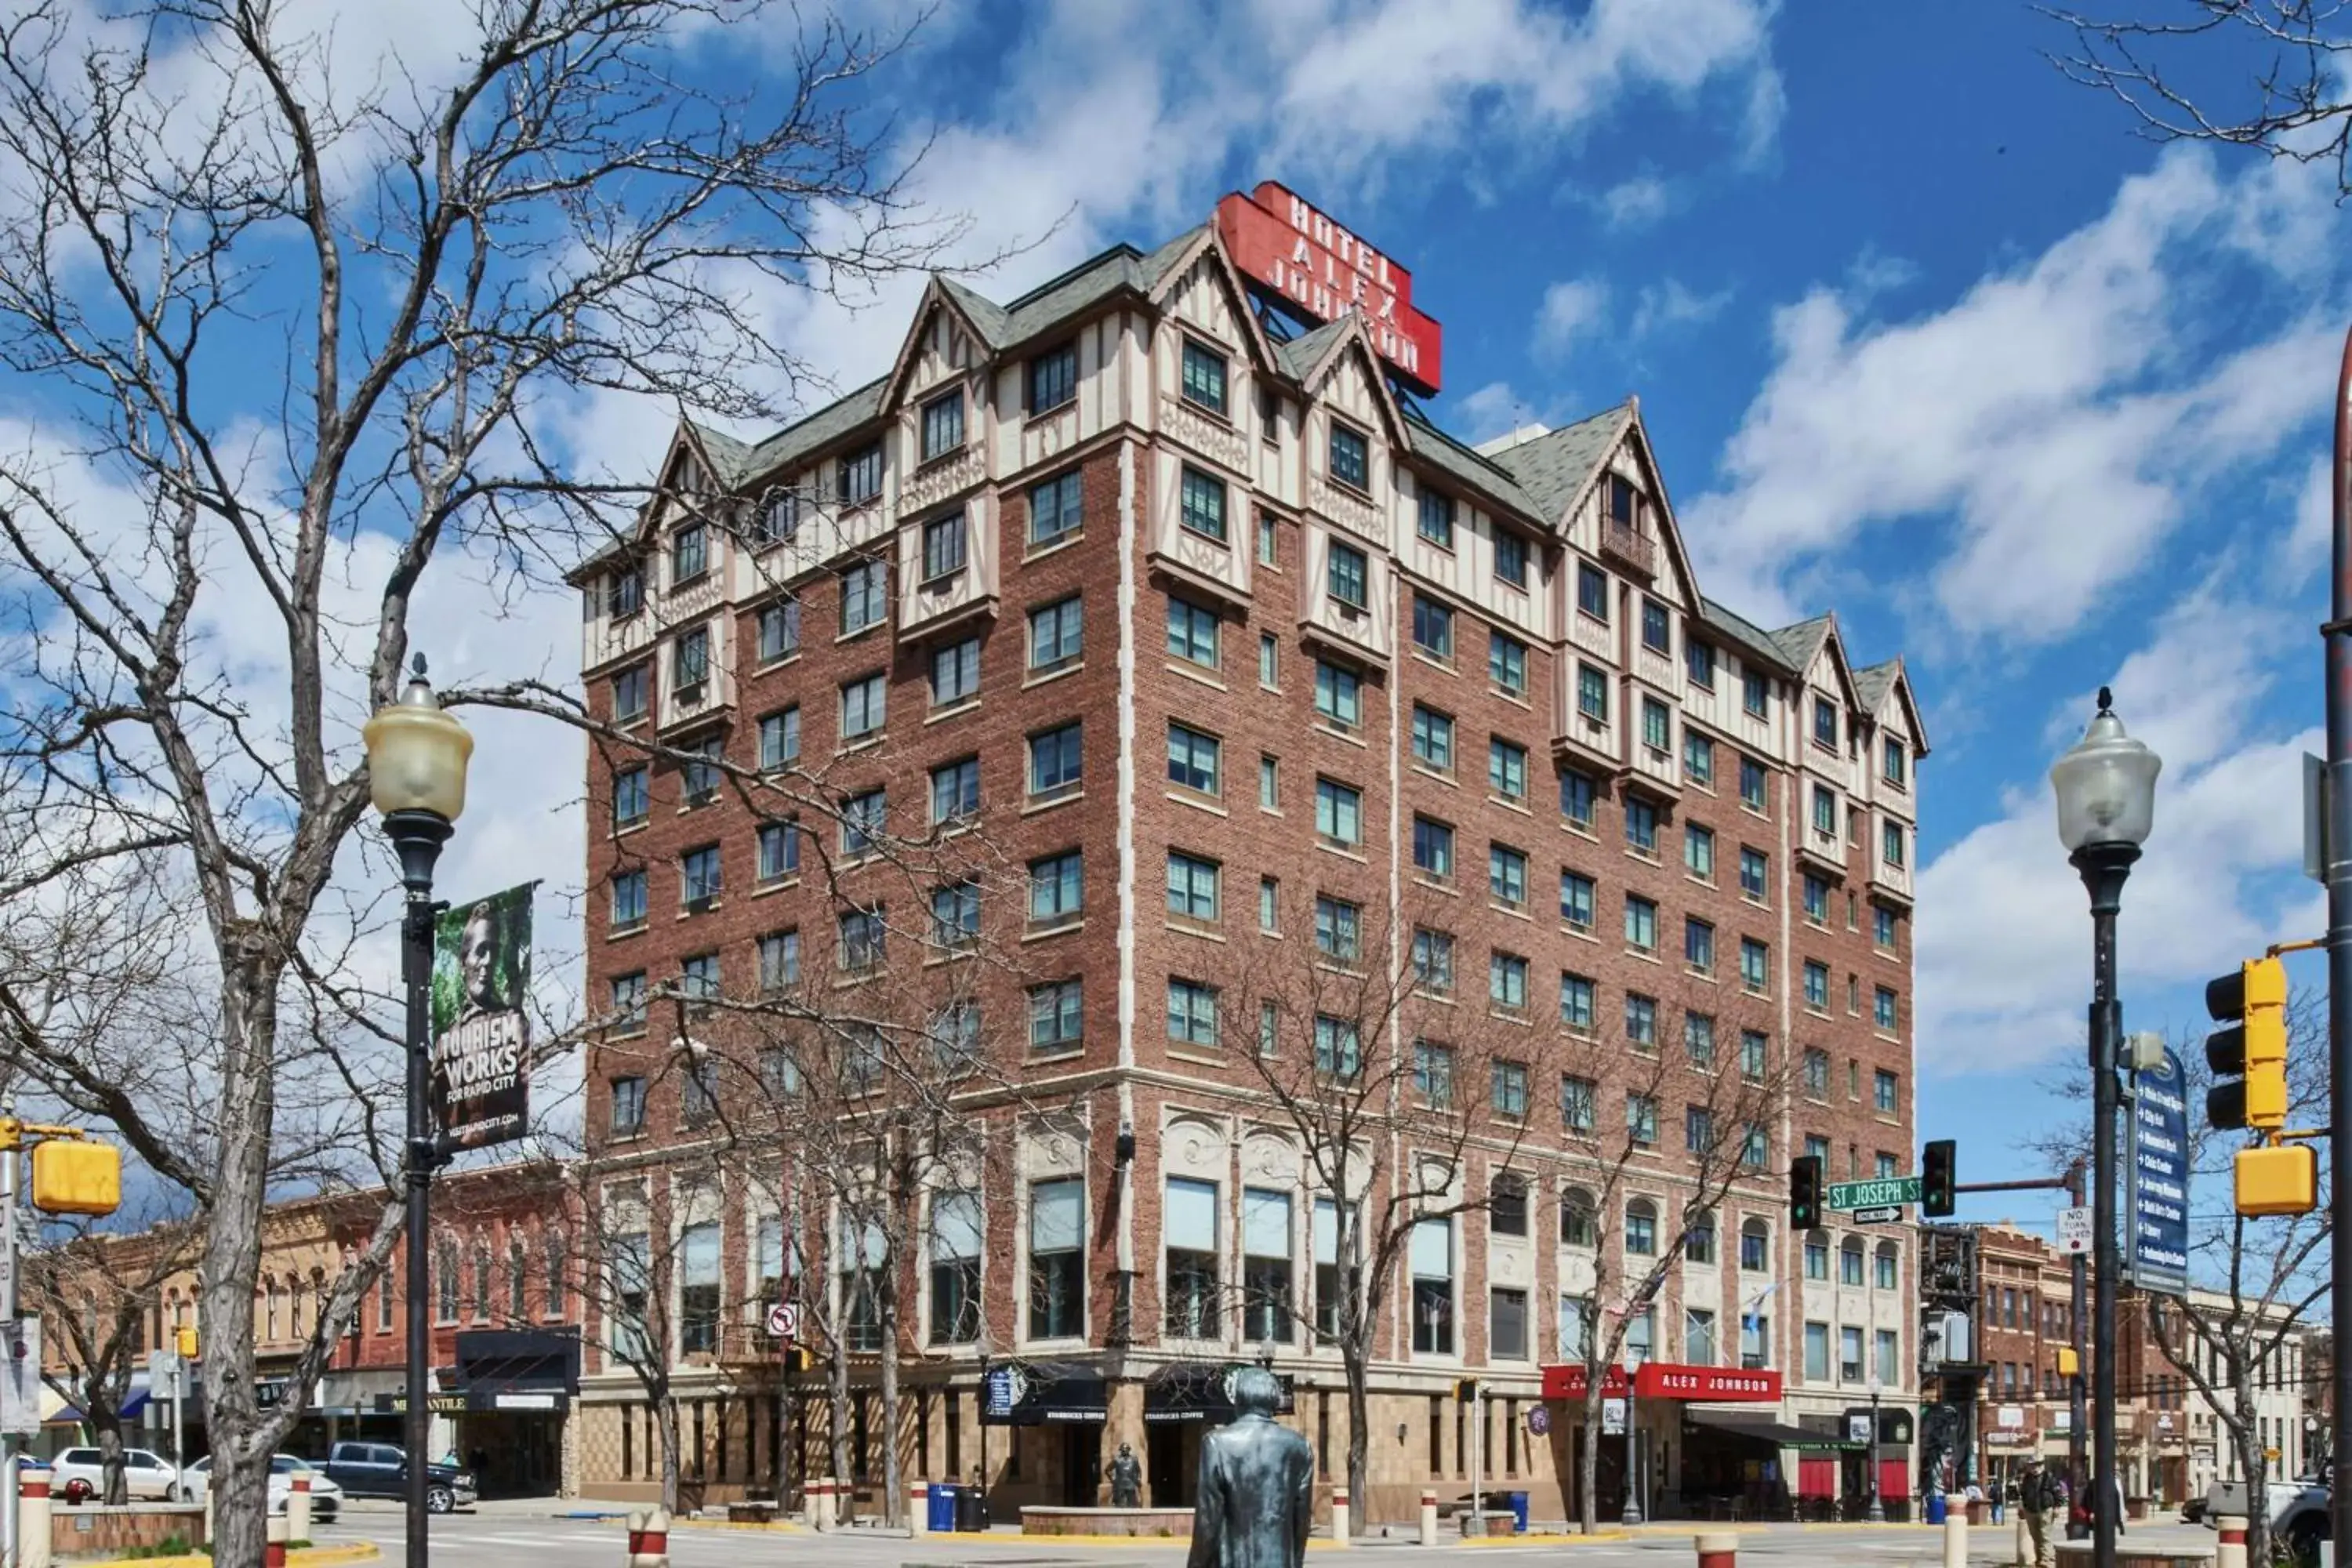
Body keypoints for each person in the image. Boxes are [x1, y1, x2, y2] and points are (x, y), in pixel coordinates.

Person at [1185, 1367, 1313, 1568]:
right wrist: (1295, 1562)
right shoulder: (1299, 1446)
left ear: (1238, 1398)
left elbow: (1208, 1521)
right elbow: (1302, 1521)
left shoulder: (1217, 1443)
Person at [2020, 1457, 2062, 1568]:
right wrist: (2023, 1507)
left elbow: (2057, 1493)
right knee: (2035, 1536)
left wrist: (2057, 1507)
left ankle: (2048, 1560)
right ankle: (2039, 1560)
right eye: (2032, 1466)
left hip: (2046, 1509)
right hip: (2031, 1510)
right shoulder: (2027, 1479)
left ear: (2042, 1466)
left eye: (2037, 1465)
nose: (2035, 1468)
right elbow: (2023, 1494)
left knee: (2045, 1535)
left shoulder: (2049, 1477)